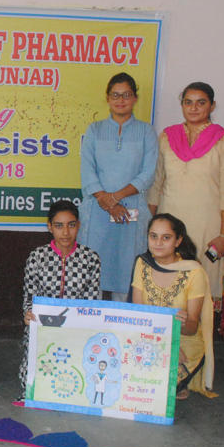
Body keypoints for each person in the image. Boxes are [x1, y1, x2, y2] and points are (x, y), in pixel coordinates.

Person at [147, 82, 224, 302]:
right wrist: (149, 226)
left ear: (212, 106)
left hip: (207, 226)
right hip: (169, 224)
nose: (194, 108)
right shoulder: (167, 137)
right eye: (188, 102)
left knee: (201, 289)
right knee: (167, 285)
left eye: (201, 102)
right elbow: (156, 184)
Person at [77, 72, 157, 301]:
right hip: (97, 209)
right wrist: (108, 201)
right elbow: (87, 170)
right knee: (91, 270)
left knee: (127, 270)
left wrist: (116, 197)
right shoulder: (95, 130)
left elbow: (148, 173)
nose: (121, 100)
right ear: (107, 98)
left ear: (135, 98)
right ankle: (89, 320)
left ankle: (123, 321)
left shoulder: (146, 132)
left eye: (126, 95)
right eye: (115, 95)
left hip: (131, 210)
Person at [18, 200, 101, 397]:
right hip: (42, 329)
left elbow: (90, 302)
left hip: (76, 330)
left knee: (80, 383)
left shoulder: (90, 259)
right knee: (28, 382)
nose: (65, 232)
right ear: (49, 227)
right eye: (59, 225)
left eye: (71, 225)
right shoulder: (37, 257)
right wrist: (28, 314)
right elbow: (29, 296)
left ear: (78, 226)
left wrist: (79, 327)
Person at [131, 213, 215, 399]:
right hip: (148, 337)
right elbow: (138, 315)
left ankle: (178, 380)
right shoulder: (143, 263)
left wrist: (177, 336)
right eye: (153, 236)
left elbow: (192, 327)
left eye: (166, 238)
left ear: (178, 241)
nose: (158, 243)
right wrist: (164, 344)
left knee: (157, 382)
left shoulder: (193, 271)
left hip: (183, 342)